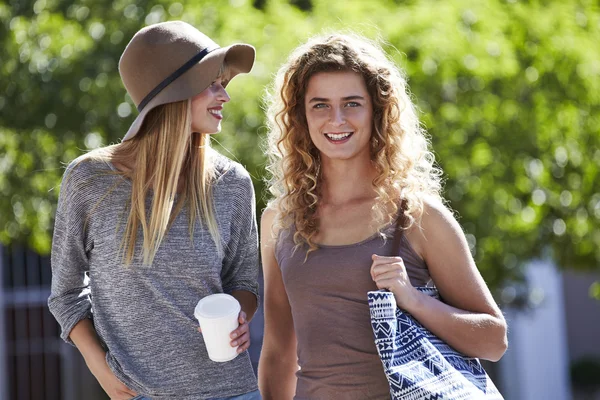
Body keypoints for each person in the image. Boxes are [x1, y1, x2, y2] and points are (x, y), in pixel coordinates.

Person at [258, 33, 508, 400]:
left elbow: (494, 340)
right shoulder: (279, 221)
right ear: (300, 116)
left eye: (352, 103)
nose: (336, 119)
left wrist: (413, 298)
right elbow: (279, 352)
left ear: (378, 111)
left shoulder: (417, 215)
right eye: (320, 105)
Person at [48, 21, 261, 400]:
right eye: (211, 84)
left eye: (223, 84)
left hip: (232, 392)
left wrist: (241, 315)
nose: (224, 96)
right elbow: (65, 294)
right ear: (174, 95)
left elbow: (244, 282)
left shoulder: (233, 183)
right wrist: (102, 371)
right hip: (137, 393)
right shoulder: (90, 180)